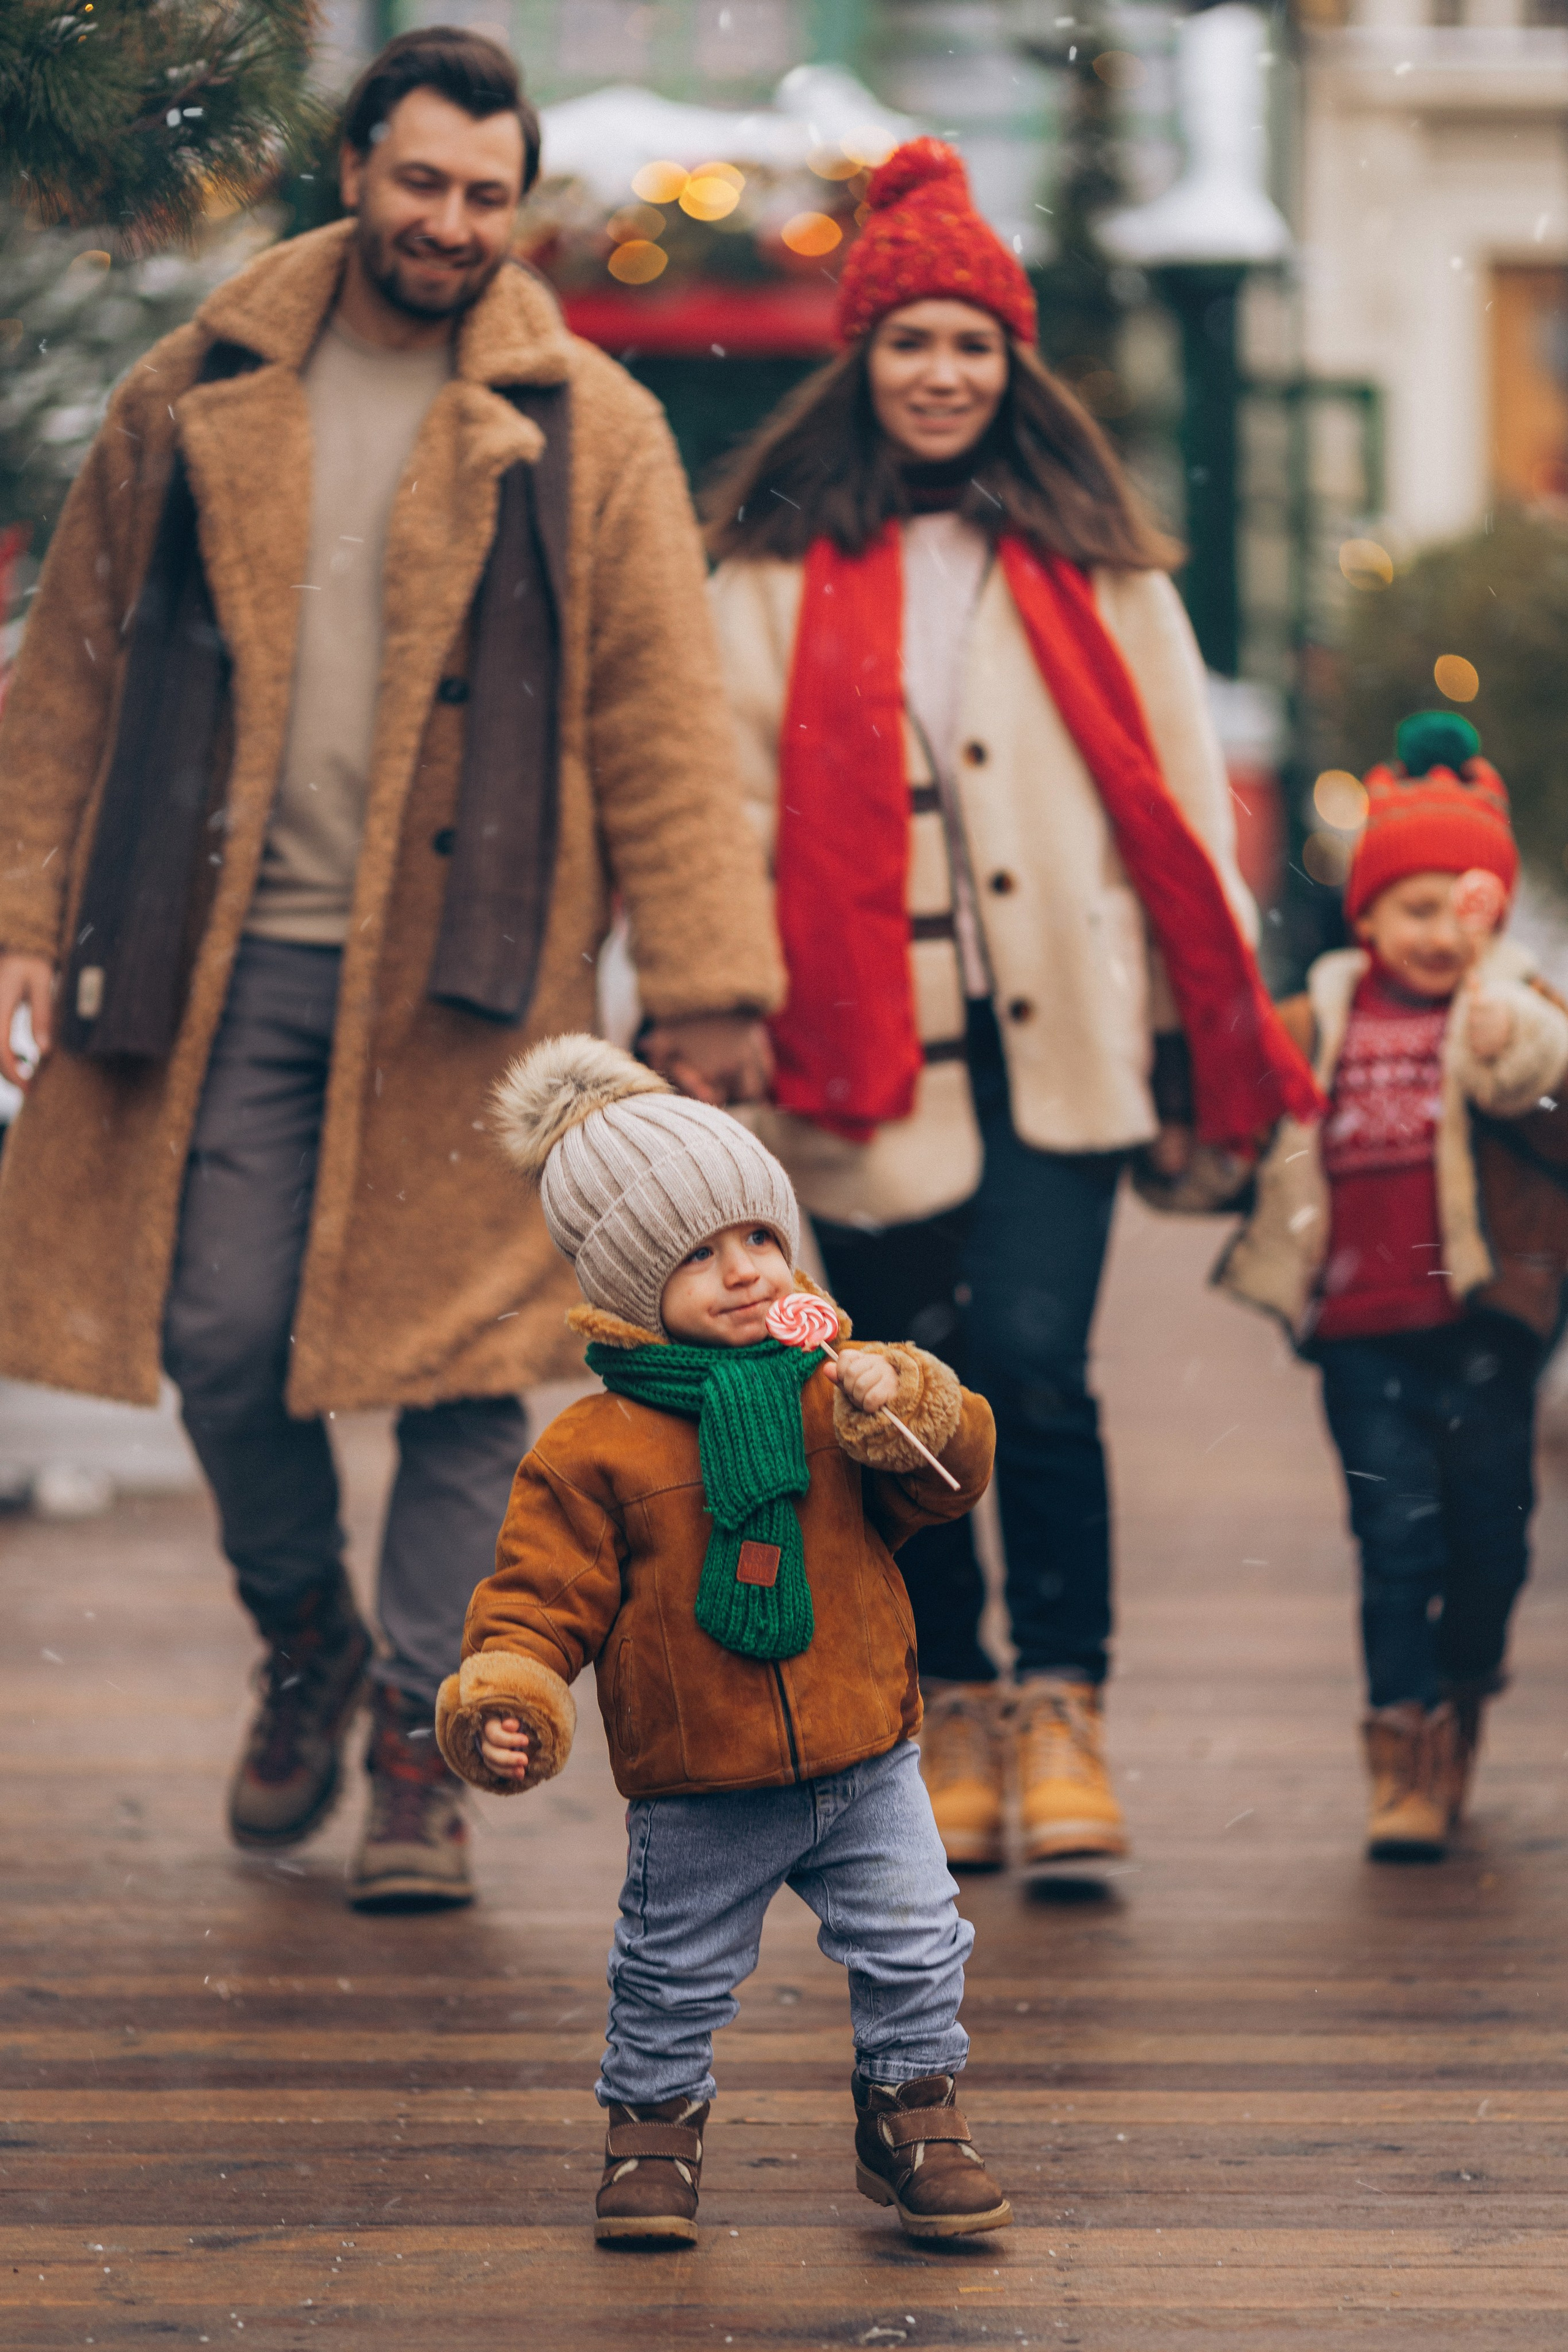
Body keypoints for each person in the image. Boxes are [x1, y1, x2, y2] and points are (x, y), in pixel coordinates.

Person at [0, 28, 782, 1911]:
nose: (451, 222)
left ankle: (425, 1741)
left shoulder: (591, 421)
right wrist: (24, 908)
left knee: (465, 1370)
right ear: (355, 170)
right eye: (422, 181)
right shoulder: (191, 393)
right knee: (216, 1335)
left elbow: (658, 717)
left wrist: (702, 978)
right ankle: (307, 1641)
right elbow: (77, 669)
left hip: (485, 984)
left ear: (520, 209)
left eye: (487, 195)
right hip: (219, 954)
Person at [703, 138, 1317, 1874]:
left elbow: (1184, 806)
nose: (944, 372)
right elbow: (725, 811)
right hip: (856, 1065)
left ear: (1013, 360)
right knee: (899, 1393)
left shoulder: (1103, 567)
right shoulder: (763, 576)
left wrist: (1206, 1010)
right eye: (913, 341)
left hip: (1064, 1056)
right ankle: (949, 1697)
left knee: (1034, 1369)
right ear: (863, 356)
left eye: (975, 341)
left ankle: (1063, 1701)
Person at [435, 1033, 1007, 2245]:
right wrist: (513, 1688)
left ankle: (912, 2111)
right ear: (632, 1288)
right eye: (697, 1257)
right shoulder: (594, 1448)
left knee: (915, 1942)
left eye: (757, 1236)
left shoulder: (840, 1387)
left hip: (865, 1751)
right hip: (699, 1778)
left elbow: (945, 1485)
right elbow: (539, 1598)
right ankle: (652, 2130)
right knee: (670, 1974)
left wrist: (910, 1404)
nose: (742, 1271)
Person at [1218, 714, 1568, 1858]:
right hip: (1361, 1326)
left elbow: (1554, 1108)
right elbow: (1239, 1111)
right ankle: (1401, 1749)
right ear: (1363, 914)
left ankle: (1463, 1682)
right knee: (1392, 1535)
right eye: (1408, 908)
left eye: (1459, 906)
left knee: (1490, 1537)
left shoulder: (1514, 1017)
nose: (1435, 934)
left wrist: (1518, 1048)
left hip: (1484, 1325)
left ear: (1495, 913)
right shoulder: (1319, 1018)